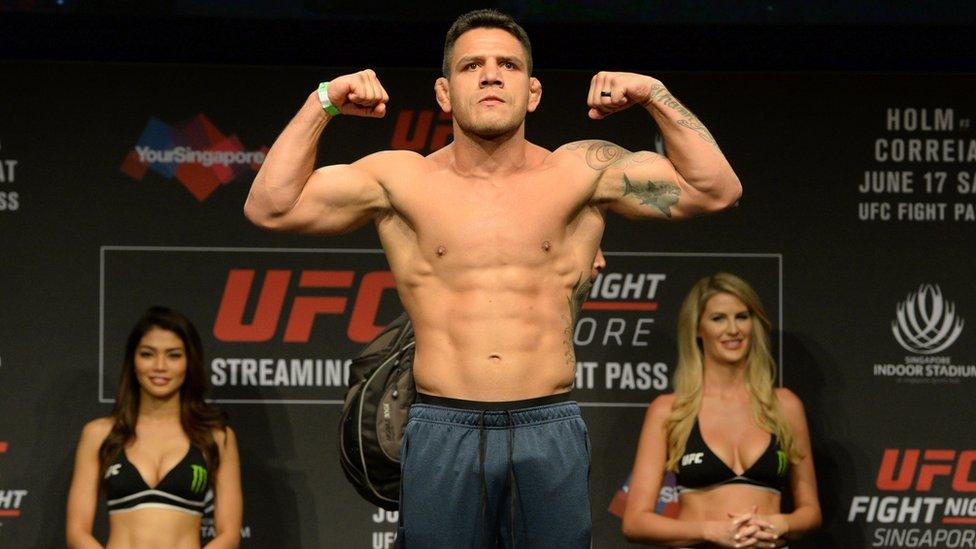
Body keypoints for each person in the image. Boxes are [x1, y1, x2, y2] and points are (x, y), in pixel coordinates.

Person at [244, 7, 740, 547]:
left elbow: (715, 188)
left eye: (507, 64)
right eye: (471, 65)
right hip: (441, 428)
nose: (489, 74)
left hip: (547, 427)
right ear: (443, 92)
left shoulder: (582, 174)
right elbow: (271, 206)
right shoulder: (400, 179)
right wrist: (323, 103)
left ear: (532, 92)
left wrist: (653, 93)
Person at [622, 273, 821, 548]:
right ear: (697, 328)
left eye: (742, 316)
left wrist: (780, 524)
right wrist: (710, 531)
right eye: (718, 318)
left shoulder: (784, 406)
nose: (733, 330)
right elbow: (635, 521)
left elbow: (810, 512)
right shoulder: (670, 410)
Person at [66, 307, 242, 549]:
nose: (160, 366)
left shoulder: (216, 437)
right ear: (133, 361)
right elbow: (77, 531)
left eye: (173, 355)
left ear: (189, 362)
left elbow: (229, 534)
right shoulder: (99, 434)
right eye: (148, 354)